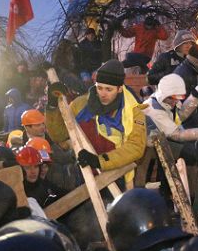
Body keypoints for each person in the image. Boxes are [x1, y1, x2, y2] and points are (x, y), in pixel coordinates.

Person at [46, 59, 146, 187]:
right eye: (100, 88)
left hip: (116, 177)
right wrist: (52, 106)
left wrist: (100, 161)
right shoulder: (81, 104)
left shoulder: (134, 111)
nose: (103, 94)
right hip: (84, 175)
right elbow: (59, 135)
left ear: (120, 89)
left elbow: (135, 147)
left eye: (109, 90)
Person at [174, 44, 198, 128]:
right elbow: (181, 110)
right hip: (188, 125)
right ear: (197, 61)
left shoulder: (193, 67)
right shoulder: (183, 76)